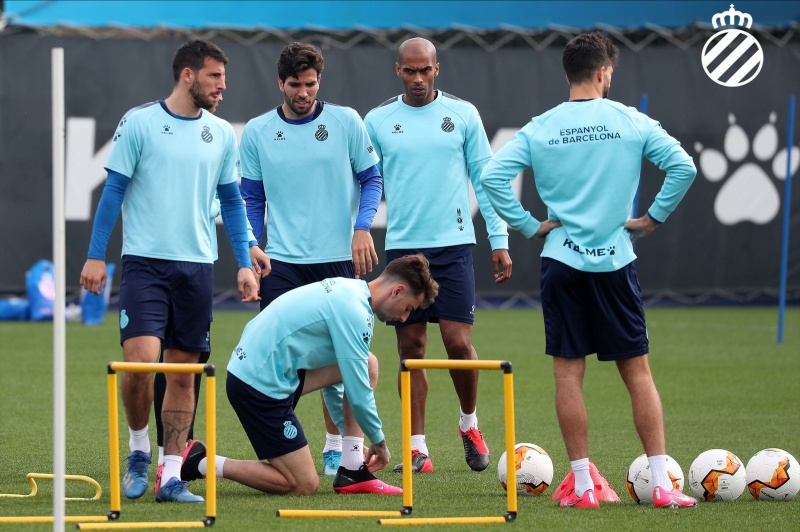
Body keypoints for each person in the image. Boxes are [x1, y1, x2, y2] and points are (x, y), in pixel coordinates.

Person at [480, 32, 697, 509]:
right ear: (603, 72)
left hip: (561, 259)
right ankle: (662, 486)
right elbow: (684, 167)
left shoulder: (541, 127)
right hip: (616, 260)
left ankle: (583, 487)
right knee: (637, 374)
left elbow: (491, 176)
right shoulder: (630, 120)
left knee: (567, 376)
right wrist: (653, 218)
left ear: (568, 74)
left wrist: (528, 226)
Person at [79, 39, 264, 503]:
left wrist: (244, 262)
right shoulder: (139, 122)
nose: (223, 86)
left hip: (197, 269)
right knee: (140, 364)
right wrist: (95, 255)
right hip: (145, 264)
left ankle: (171, 475)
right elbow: (113, 191)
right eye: (215, 76)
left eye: (224, 77)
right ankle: (139, 450)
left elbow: (232, 203)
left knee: (183, 375)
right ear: (188, 74)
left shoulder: (222, 133)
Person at [364, 37, 512, 474]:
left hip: (453, 246)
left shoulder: (463, 115)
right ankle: (417, 448)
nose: (417, 78)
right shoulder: (378, 120)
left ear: (437, 69)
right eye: (409, 71)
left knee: (457, 343)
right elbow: (365, 181)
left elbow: (486, 179)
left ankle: (469, 424)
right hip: (403, 249)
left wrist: (499, 239)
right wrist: (357, 231)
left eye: (424, 70)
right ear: (398, 70)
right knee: (411, 348)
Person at [239, 42, 383, 476]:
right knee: (284, 363)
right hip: (281, 263)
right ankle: (283, 447)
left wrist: (362, 227)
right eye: (294, 84)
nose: (303, 93)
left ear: (319, 81)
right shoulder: (258, 131)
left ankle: (338, 448)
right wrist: (251, 244)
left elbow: (372, 178)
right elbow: (251, 196)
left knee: (345, 360)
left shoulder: (346, 121)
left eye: (310, 84)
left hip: (338, 260)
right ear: (279, 83)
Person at [179, 254, 439, 495]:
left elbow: (342, 382)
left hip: (266, 371)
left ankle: (352, 471)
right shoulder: (355, 311)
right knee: (303, 484)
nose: (404, 318)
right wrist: (379, 441)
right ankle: (201, 462)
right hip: (256, 384)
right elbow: (359, 393)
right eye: (409, 308)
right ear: (397, 291)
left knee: (367, 363)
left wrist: (351, 443)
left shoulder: (350, 290)